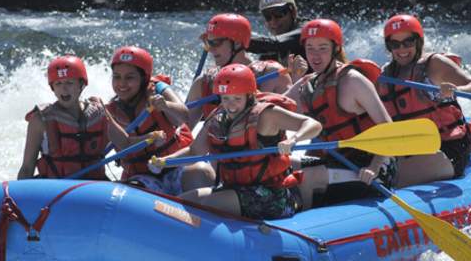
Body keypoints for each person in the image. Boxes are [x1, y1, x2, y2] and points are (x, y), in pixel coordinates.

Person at [150, 64, 322, 220]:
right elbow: (195, 152)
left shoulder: (266, 115)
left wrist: (294, 139)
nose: (230, 106)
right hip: (235, 189)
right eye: (225, 99)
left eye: (237, 99)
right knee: (180, 202)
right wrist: (166, 162)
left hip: (273, 197)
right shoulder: (218, 117)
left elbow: (313, 124)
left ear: (250, 96)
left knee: (188, 203)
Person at [286, 19, 396, 209]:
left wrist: (374, 166)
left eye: (322, 48)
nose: (315, 55)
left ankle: (304, 221)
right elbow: (277, 106)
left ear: (335, 48)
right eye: (310, 48)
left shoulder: (353, 81)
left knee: (309, 176)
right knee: (289, 163)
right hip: (336, 162)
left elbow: (389, 130)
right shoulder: (308, 84)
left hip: (370, 167)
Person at [377, 14, 471, 186]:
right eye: (395, 44)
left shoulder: (434, 64)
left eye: (408, 42)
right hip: (411, 149)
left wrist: (457, 90)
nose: (402, 49)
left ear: (418, 41)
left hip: (448, 147)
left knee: (396, 176)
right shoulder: (386, 76)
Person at [106, 46, 215, 193]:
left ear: (144, 79)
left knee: (201, 173)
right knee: (129, 190)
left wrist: (166, 106)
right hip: (142, 177)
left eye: (130, 77)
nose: (122, 83)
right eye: (117, 77)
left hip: (176, 166)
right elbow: (121, 145)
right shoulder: (109, 112)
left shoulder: (158, 89)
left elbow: (184, 116)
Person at [18, 55, 131, 180]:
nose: (64, 89)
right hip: (55, 188)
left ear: (81, 85)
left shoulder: (98, 113)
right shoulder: (40, 120)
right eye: (58, 83)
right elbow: (27, 167)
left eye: (69, 83)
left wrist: (154, 136)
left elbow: (126, 144)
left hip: (94, 187)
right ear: (53, 88)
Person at [186, 13, 292, 127]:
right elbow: (183, 130)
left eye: (216, 43)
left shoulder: (272, 75)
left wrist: (296, 79)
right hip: (219, 143)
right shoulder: (204, 82)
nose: (211, 49)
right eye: (208, 42)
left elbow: (295, 117)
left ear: (237, 43)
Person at [248, 0, 309, 82]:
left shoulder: (306, 30)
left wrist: (239, 40)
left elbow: (275, 44)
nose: (273, 21)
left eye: (278, 14)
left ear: (293, 12)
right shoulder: (271, 50)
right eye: (267, 16)